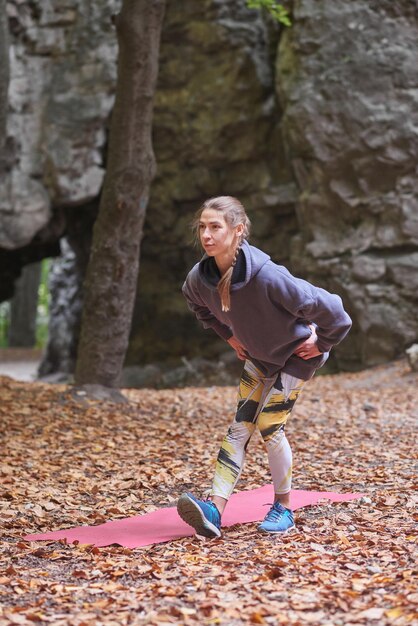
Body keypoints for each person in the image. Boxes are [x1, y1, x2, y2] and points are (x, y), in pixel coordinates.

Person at [177, 196, 352, 538]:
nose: (207, 235)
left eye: (216, 227)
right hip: (259, 356)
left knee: (270, 426)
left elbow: (334, 310)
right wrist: (228, 335)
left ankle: (283, 509)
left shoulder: (269, 277)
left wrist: (321, 342)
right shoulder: (201, 278)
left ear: (237, 230)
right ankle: (214, 510)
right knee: (240, 426)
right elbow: (197, 304)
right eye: (202, 227)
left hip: (295, 357)